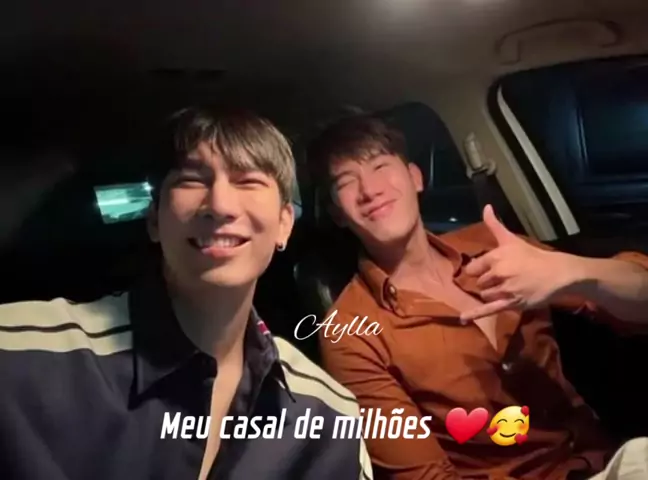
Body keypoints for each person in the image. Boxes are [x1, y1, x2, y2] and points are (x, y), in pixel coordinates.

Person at [0, 106, 373, 480]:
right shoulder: (25, 361)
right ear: (154, 220)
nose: (220, 206)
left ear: (284, 224)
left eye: (248, 181)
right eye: (192, 180)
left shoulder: (330, 415)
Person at [306, 114, 648, 480]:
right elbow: (426, 477)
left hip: (605, 459)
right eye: (347, 181)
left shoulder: (492, 244)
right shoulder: (351, 332)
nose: (369, 189)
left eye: (380, 166)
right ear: (337, 213)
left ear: (415, 177)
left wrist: (572, 272)